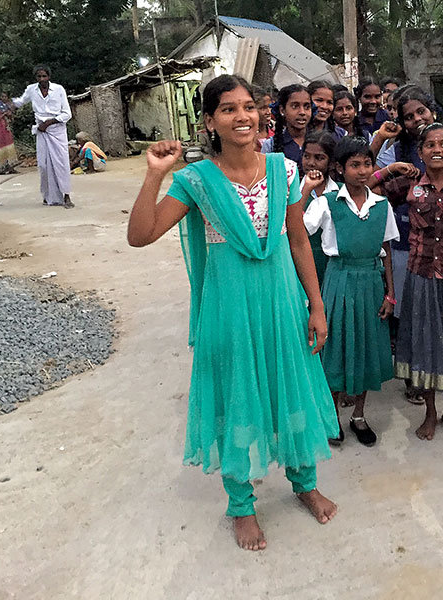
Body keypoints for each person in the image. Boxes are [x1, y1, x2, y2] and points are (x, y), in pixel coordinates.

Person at [126, 74, 338, 551]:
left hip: (281, 301)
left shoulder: (284, 170)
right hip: (228, 307)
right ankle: (241, 504)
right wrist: (156, 174)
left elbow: (298, 238)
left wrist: (316, 303)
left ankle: (304, 483)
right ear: (210, 121)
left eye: (249, 106)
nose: (242, 116)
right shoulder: (197, 181)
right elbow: (140, 235)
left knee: (292, 387)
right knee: (238, 395)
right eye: (228, 109)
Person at [372, 124, 443, 440]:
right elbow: (367, 187)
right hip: (420, 279)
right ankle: (430, 414)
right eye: (430, 145)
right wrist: (391, 168)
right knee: (425, 346)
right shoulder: (408, 187)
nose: (437, 149)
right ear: (420, 152)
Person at [302, 137, 399, 447]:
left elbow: (386, 250)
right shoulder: (326, 203)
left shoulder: (382, 205)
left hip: (371, 283)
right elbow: (298, 233)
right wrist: (304, 191)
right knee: (337, 347)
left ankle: (359, 414)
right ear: (340, 169)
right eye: (354, 165)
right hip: (339, 280)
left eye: (367, 164)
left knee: (366, 348)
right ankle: (331, 414)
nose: (362, 171)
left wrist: (390, 294)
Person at [11, 65, 74, 208]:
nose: (42, 79)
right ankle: (48, 196)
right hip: (41, 131)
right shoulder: (31, 90)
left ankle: (66, 195)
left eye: (44, 76)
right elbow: (20, 101)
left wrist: (49, 122)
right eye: (39, 77)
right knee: (44, 165)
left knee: (61, 164)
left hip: (56, 130)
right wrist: (8, 105)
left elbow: (67, 114)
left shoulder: (58, 90)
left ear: (49, 77)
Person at [298, 130, 339, 286]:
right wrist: (307, 189)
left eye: (319, 158)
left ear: (331, 162)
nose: (311, 163)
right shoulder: (292, 189)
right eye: (306, 156)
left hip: (330, 265)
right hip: (300, 263)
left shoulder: (339, 192)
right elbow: (290, 224)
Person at [261, 84, 312, 166]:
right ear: (282, 110)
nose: (302, 112)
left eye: (307, 107)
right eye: (295, 106)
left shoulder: (319, 142)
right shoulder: (270, 145)